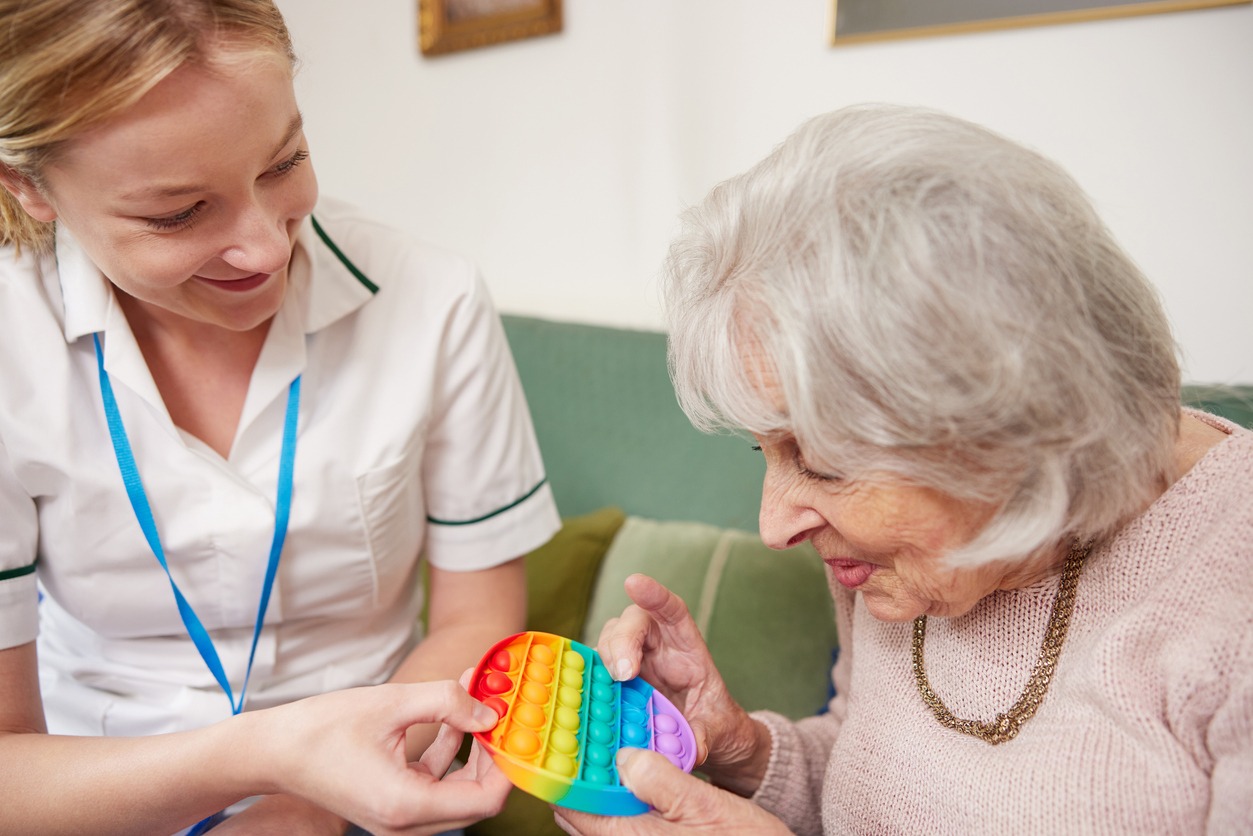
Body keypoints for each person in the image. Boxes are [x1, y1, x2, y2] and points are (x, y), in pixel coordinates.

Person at [556, 104, 1253, 835]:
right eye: (762, 451)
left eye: (821, 462)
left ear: (1014, 422)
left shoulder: (1229, 605)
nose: (773, 526)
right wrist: (739, 749)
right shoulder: (889, 559)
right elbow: (872, 775)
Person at [0, 1, 560, 833]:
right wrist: (267, 763)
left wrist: (310, 807)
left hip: (383, 792)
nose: (266, 249)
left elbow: (476, 618)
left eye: (284, 162)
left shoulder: (432, 299)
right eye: (177, 213)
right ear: (27, 187)